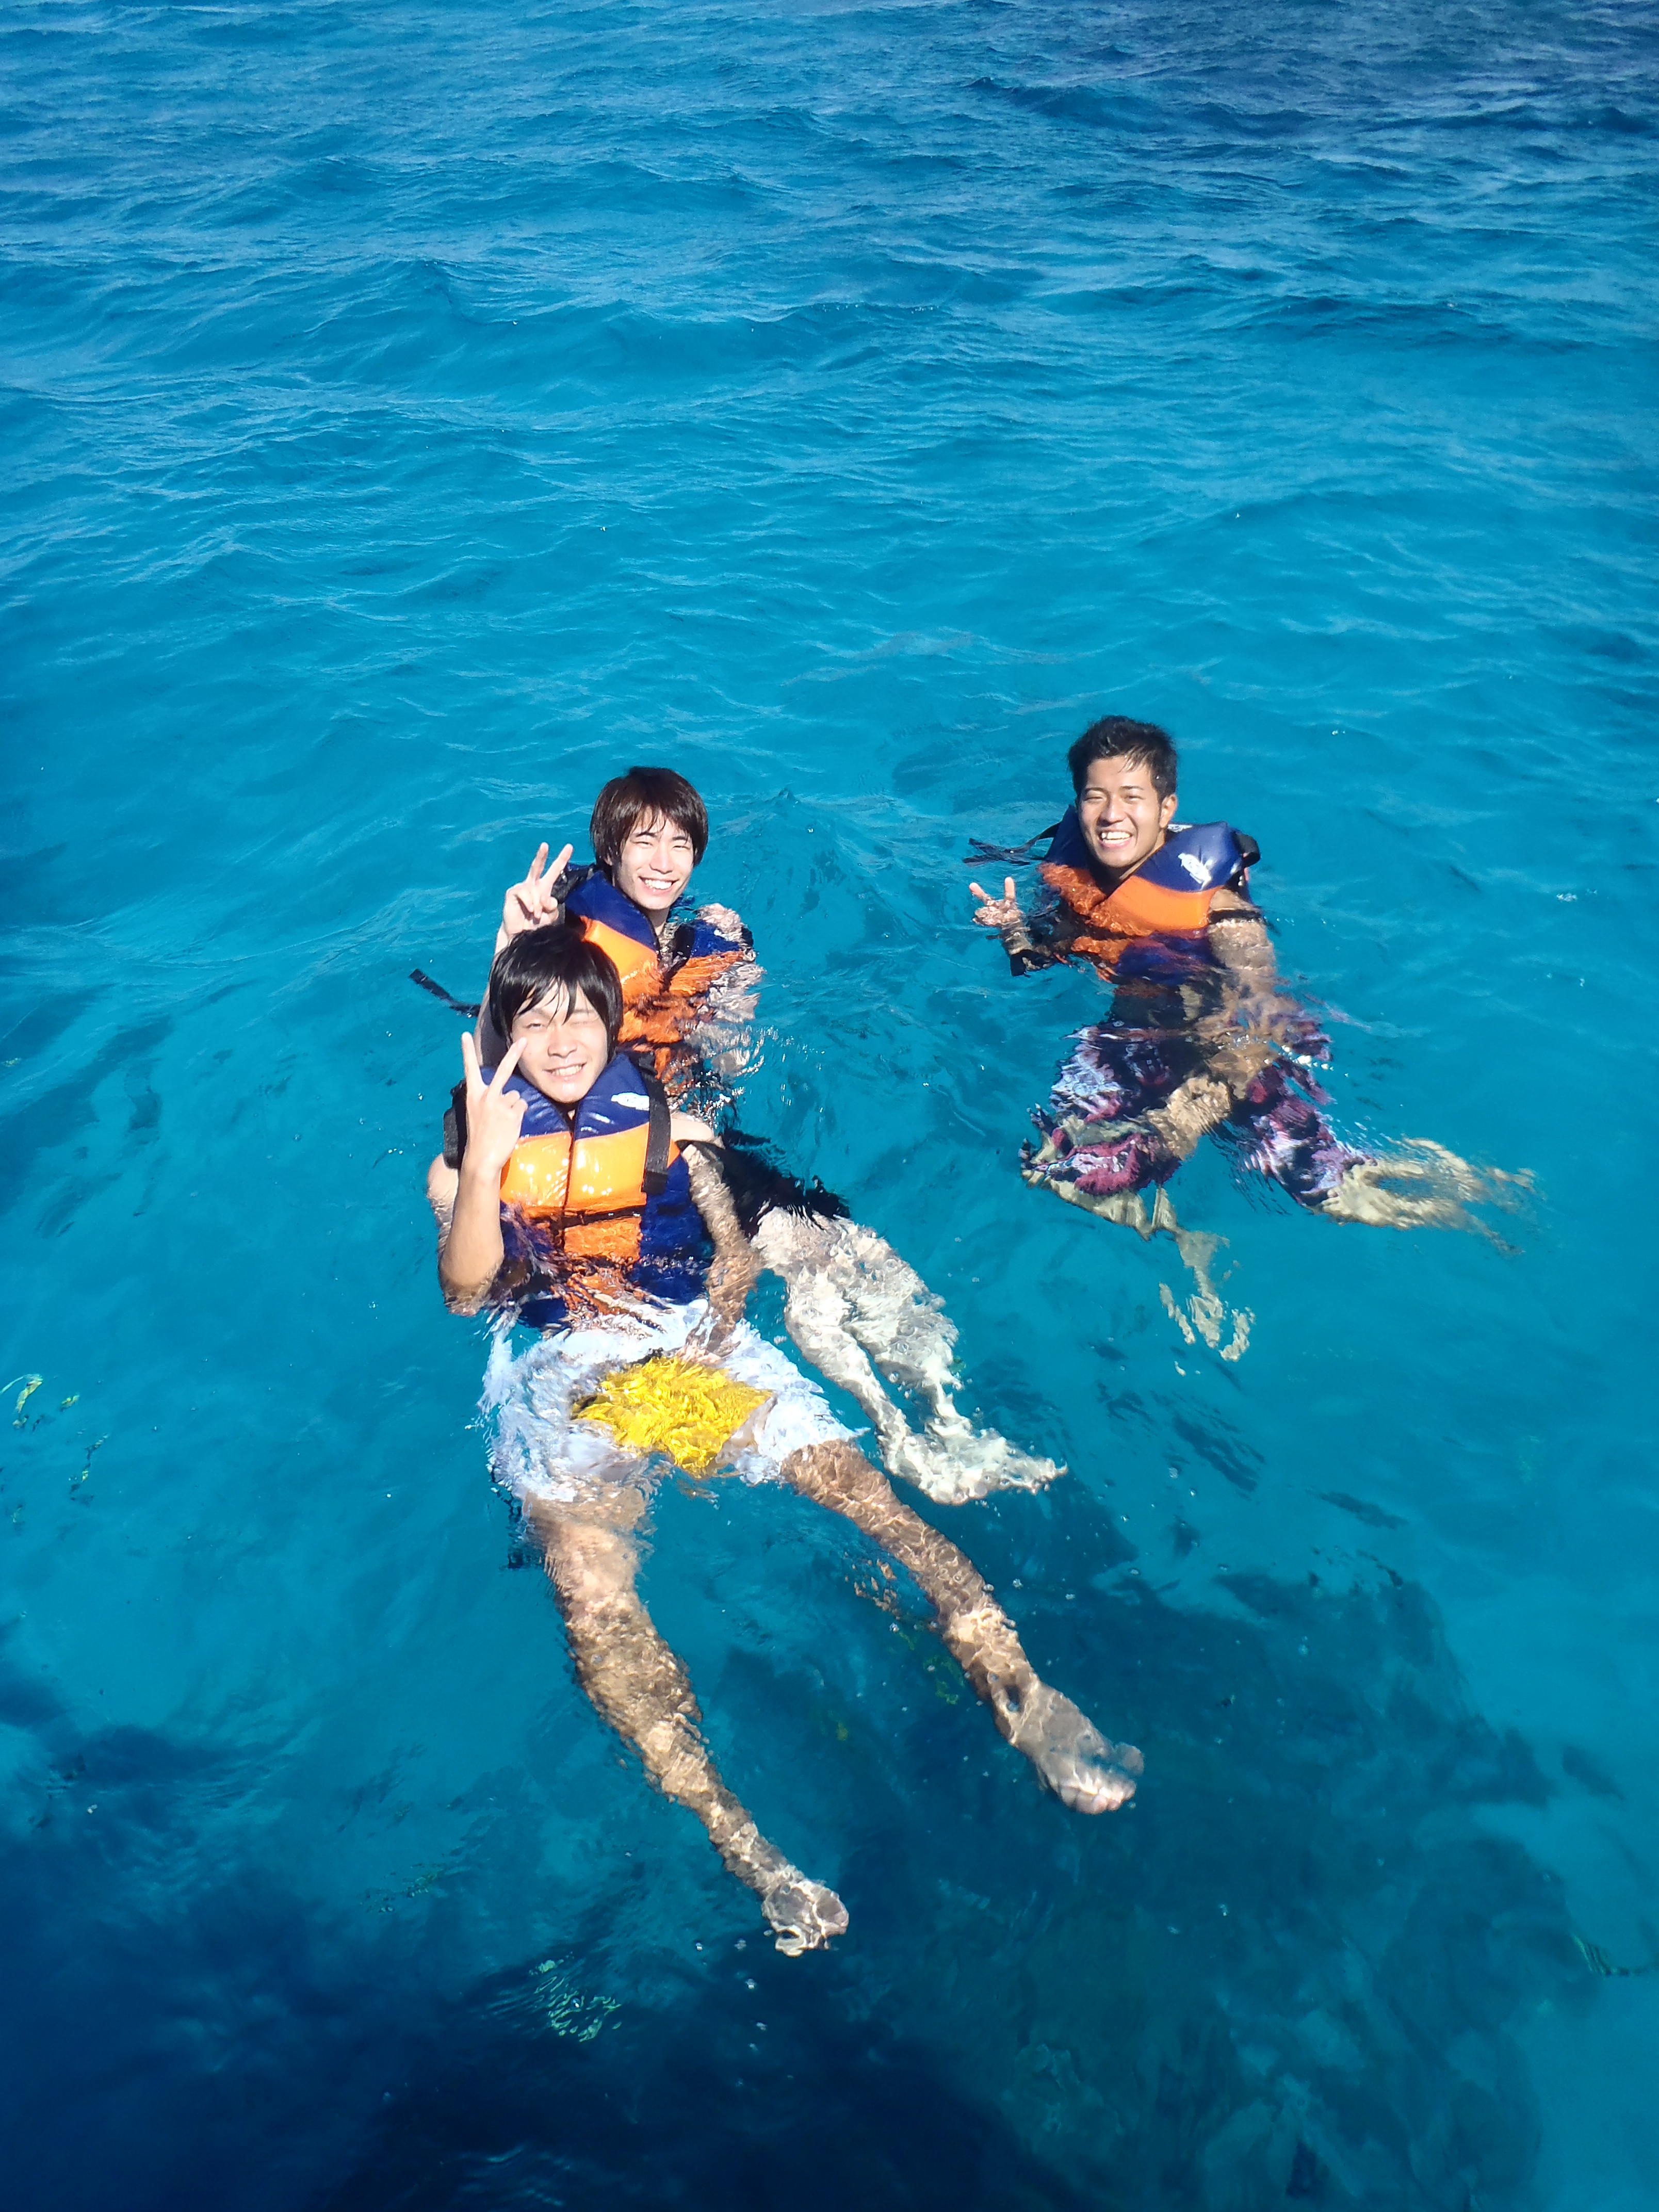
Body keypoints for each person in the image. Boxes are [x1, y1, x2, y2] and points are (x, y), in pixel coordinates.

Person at [426, 924, 1142, 1955]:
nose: (566, 1038)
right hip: (560, 1373)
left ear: (615, 1021)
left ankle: (1025, 1692)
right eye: (537, 1020)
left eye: (582, 1014)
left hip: (683, 1341)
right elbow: (463, 1291)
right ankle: (745, 1842)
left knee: (871, 1501)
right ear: (506, 1033)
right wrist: (487, 1165)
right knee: (594, 1596)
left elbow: (729, 1236)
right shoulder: (467, 1156)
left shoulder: (674, 1123)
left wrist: (717, 1309)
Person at [474, 766, 1058, 1505]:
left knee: (857, 1255)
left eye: (680, 844)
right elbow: (499, 1063)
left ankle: (942, 1419)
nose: (662, 861)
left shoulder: (707, 939)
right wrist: (511, 944)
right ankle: (902, 1435)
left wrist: (732, 984)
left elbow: (728, 1062)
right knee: (816, 1261)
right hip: (644, 1170)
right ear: (609, 850)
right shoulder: (566, 943)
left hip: (702, 1145)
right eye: (643, 841)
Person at [969, 716, 1524, 1353]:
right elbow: (1044, 961)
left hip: (1233, 1052)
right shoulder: (1079, 873)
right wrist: (1013, 930)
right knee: (1053, 1168)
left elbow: (1258, 1015)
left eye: (1131, 797)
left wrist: (1187, 1116)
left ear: (1166, 807)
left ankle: (1466, 1197)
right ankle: (1186, 1239)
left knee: (1329, 1192)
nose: (1111, 814)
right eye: (1096, 796)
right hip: (1134, 1039)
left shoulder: (1219, 905)